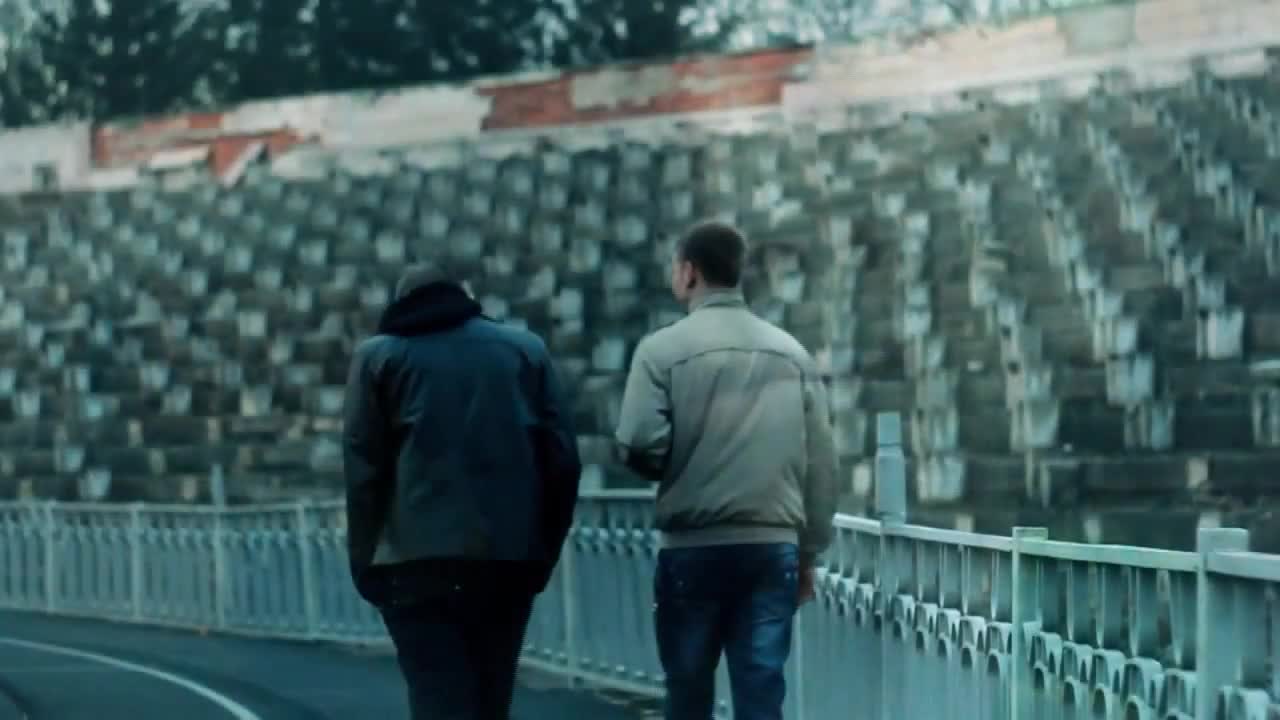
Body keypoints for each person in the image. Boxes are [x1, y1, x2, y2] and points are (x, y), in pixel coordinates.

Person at [615, 221, 839, 720]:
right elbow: (821, 464)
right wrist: (809, 552)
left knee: (688, 689)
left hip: (692, 547)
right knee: (761, 690)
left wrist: (674, 462)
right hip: (770, 547)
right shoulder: (791, 353)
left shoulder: (660, 351)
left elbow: (640, 442)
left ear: (689, 272)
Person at [343, 263, 582, 720]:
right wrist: (542, 552)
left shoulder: (378, 357)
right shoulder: (525, 350)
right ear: (466, 296)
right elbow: (563, 463)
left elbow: (363, 468)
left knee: (437, 695)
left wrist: (363, 560)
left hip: (412, 562)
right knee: (492, 696)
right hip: (506, 558)